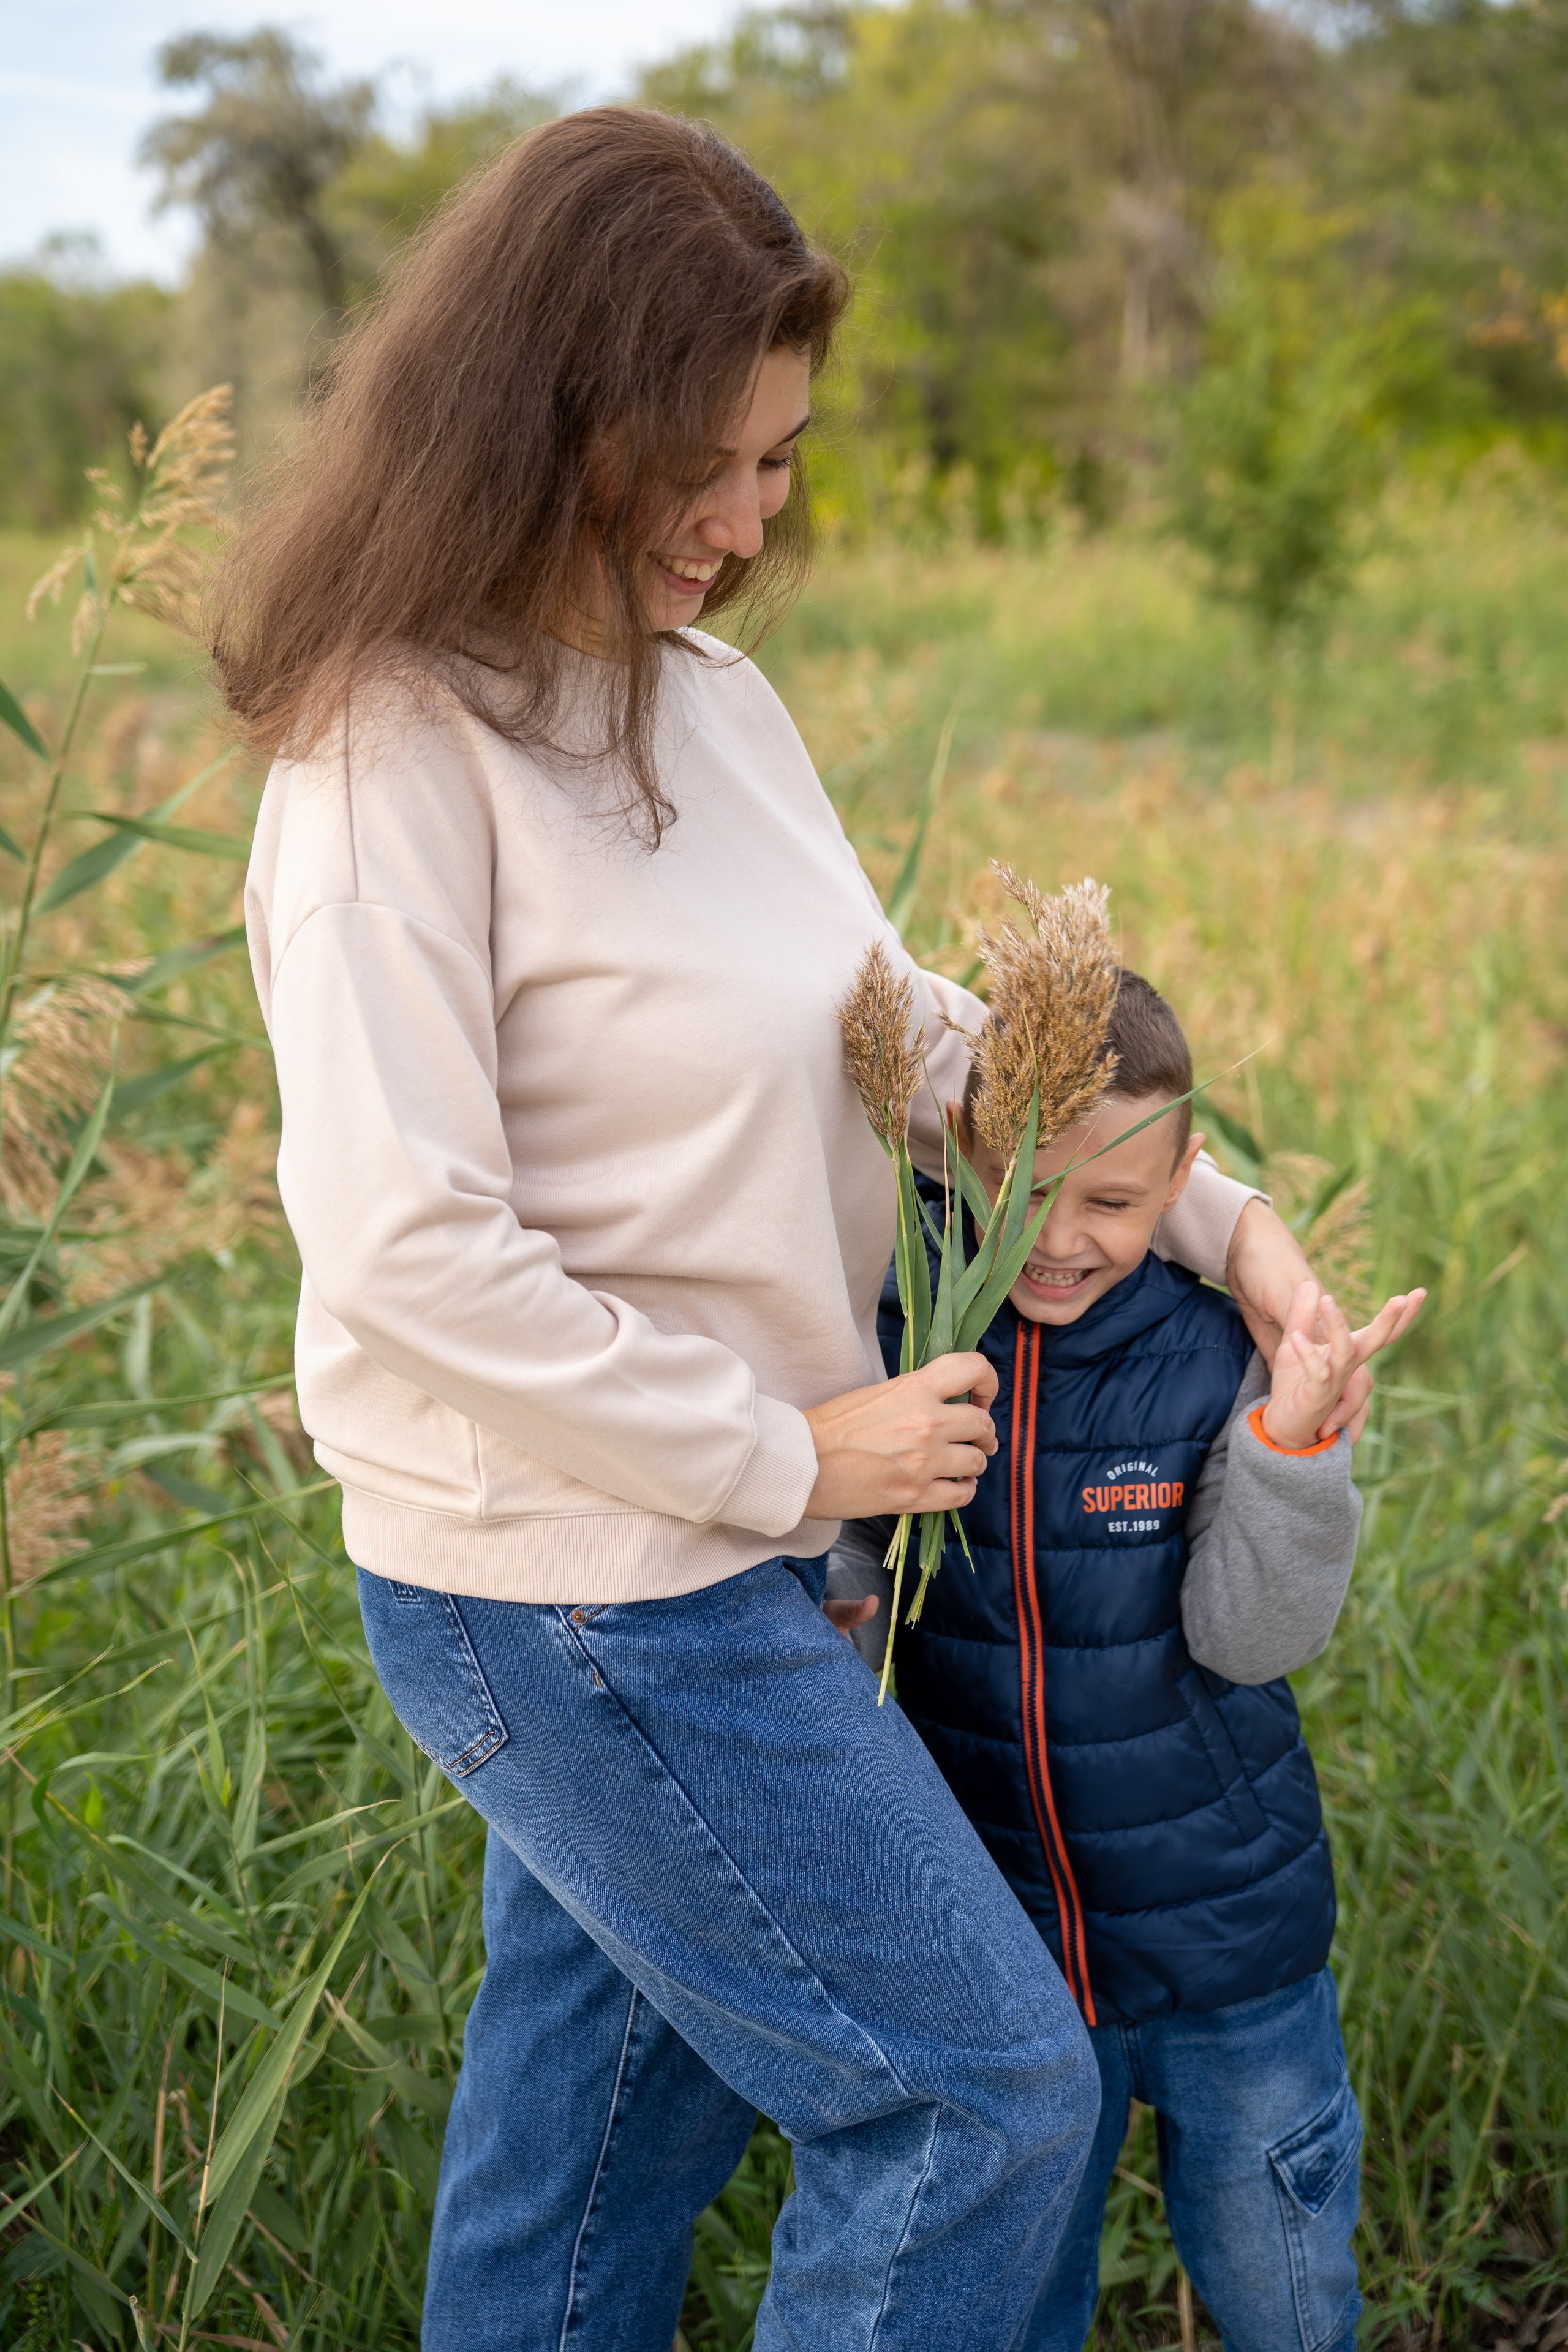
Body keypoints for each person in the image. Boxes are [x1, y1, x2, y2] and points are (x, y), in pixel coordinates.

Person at [230, 106, 1362, 2352]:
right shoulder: (387, 757)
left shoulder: (710, 704)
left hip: (761, 1545)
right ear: (549, 422)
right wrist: (795, 1457)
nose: (751, 525)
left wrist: (1220, 1226)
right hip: (578, 1579)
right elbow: (404, 1250)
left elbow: (909, 1033)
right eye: (706, 465)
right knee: (980, 2096)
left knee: (589, 2158)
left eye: (782, 461)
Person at [826, 970, 1424, 2352]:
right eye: (1024, 1188)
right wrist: (840, 1591)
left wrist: (1290, 1450)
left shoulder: (1216, 1359)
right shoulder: (900, 1329)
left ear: (1181, 1181)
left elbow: (1253, 1639)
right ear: (962, 1148)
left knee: (1281, 2287)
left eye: (1109, 1201)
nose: (1056, 1239)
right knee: (1023, 2288)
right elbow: (849, 1558)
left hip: (1229, 1932)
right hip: (1005, 1947)